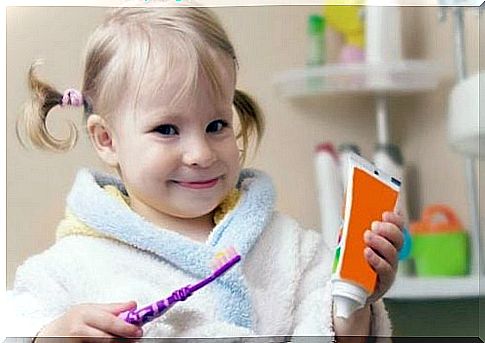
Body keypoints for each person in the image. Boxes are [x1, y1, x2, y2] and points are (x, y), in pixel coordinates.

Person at [6, 5, 404, 342]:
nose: (200, 153)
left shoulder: (291, 249)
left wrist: (355, 303)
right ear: (106, 139)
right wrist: (52, 333)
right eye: (166, 130)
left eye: (216, 126)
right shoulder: (71, 265)